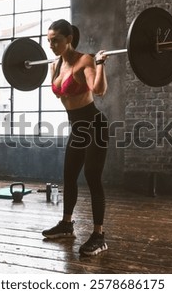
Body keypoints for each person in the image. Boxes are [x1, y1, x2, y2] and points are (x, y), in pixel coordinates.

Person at [42, 19, 110, 256]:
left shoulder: (85, 61)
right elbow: (61, 93)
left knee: (92, 178)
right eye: (49, 41)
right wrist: (53, 71)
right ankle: (66, 225)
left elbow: (99, 90)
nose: (51, 45)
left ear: (69, 39)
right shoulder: (56, 65)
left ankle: (99, 236)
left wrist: (99, 64)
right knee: (69, 176)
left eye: (56, 41)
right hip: (78, 128)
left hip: (95, 125)